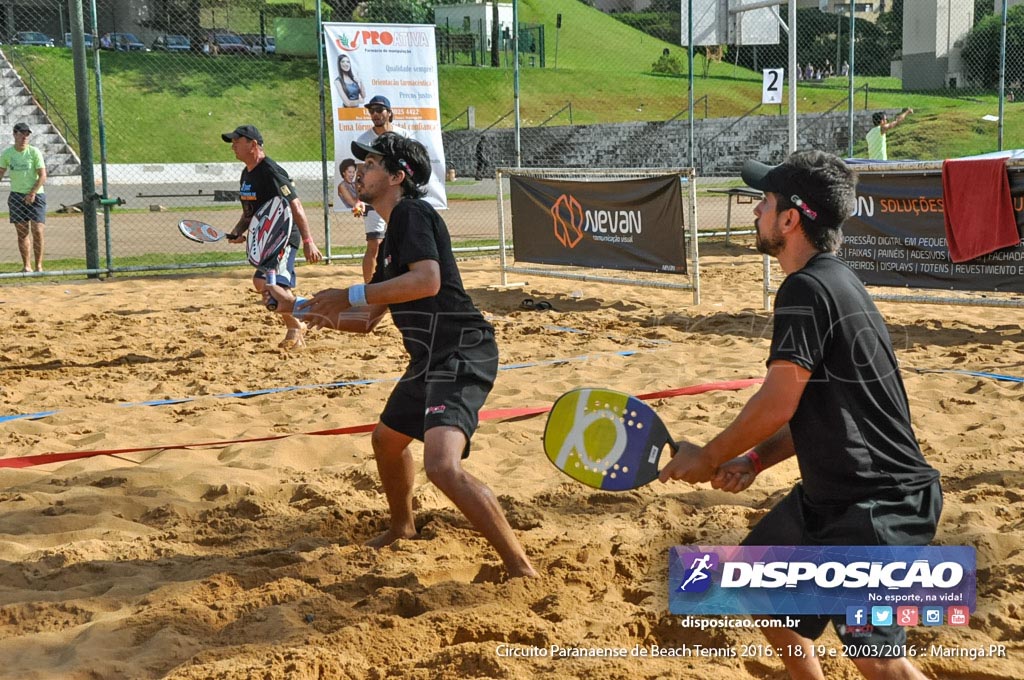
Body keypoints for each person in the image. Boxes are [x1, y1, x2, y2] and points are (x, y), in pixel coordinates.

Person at [659, 150, 942, 680]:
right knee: (756, 585)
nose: (755, 213)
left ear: (791, 219)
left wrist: (710, 455)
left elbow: (777, 400)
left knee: (876, 658)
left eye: (763, 202)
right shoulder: (838, 280)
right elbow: (817, 407)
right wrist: (755, 459)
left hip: (878, 504)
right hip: (836, 496)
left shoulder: (804, 289)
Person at [278, 132, 536, 579]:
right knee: (387, 440)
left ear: (399, 176)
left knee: (442, 466)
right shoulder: (394, 233)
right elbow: (365, 321)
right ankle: (403, 528)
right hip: (429, 357)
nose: (360, 170)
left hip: (460, 350)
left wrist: (349, 292)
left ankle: (520, 569)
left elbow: (428, 281)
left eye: (373, 164)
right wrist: (300, 308)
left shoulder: (412, 213)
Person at [220, 124, 323, 349]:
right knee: (264, 283)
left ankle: (299, 323)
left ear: (253, 144)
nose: (233, 146)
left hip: (283, 236)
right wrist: (238, 231)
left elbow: (295, 205)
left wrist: (308, 241)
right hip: (266, 237)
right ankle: (298, 320)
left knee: (266, 282)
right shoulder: (246, 174)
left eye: (237, 141)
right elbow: (249, 212)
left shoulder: (271, 171)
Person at [354, 95, 410, 283]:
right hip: (376, 197)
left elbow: (410, 168)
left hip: (398, 195)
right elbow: (361, 172)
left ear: (389, 112)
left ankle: (402, 282)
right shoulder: (365, 140)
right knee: (374, 244)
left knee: (404, 240)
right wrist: (359, 200)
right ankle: (369, 289)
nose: (375, 114)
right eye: (371, 111)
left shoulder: (403, 136)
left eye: (379, 110)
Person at [0, 122, 47, 273]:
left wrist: (32, 192)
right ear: (14, 134)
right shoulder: (8, 154)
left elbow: (42, 176)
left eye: (27, 134)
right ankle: (27, 266)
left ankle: (39, 265)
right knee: (22, 232)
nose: (25, 137)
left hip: (36, 195)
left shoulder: (34, 152)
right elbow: (1, 172)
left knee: (37, 230)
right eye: (22, 134)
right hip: (17, 196)